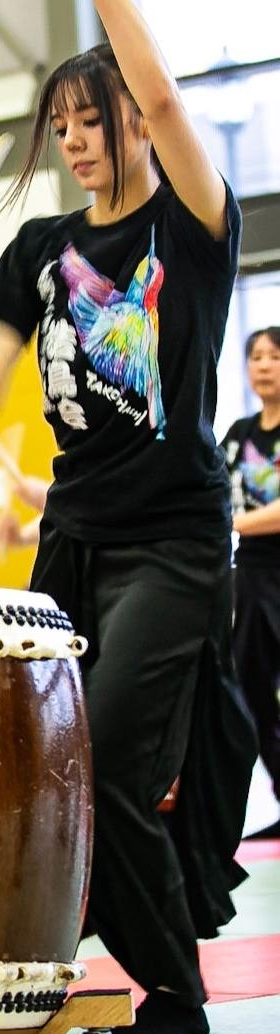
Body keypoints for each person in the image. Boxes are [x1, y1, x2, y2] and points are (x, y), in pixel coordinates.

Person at [0, 0, 255, 1034]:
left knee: (107, 757)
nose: (73, 143)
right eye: (57, 127)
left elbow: (162, 90)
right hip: (74, 537)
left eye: (89, 119)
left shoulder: (192, 225)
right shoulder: (37, 249)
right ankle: (60, 958)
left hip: (172, 542)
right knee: (32, 763)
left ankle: (171, 989)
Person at [221, 326, 280, 840]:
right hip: (252, 578)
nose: (263, 365)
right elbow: (207, 490)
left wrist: (232, 523)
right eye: (255, 356)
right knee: (251, 695)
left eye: (275, 356)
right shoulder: (239, 435)